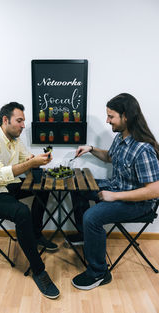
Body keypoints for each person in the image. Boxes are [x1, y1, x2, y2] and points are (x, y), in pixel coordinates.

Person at [0, 102, 60, 299]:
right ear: (5, 120)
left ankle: (36, 234)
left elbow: (26, 158)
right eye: (19, 120)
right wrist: (31, 163)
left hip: (2, 187)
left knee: (44, 187)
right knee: (21, 212)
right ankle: (39, 271)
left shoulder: (14, 138)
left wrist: (37, 159)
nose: (23, 125)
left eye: (23, 121)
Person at [70, 93, 159, 291]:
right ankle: (86, 236)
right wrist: (91, 148)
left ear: (126, 116)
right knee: (78, 185)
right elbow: (110, 157)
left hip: (138, 203)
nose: (107, 120)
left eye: (111, 116)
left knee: (92, 217)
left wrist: (114, 196)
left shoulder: (143, 149)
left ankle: (98, 272)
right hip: (117, 187)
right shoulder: (121, 138)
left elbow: (154, 190)